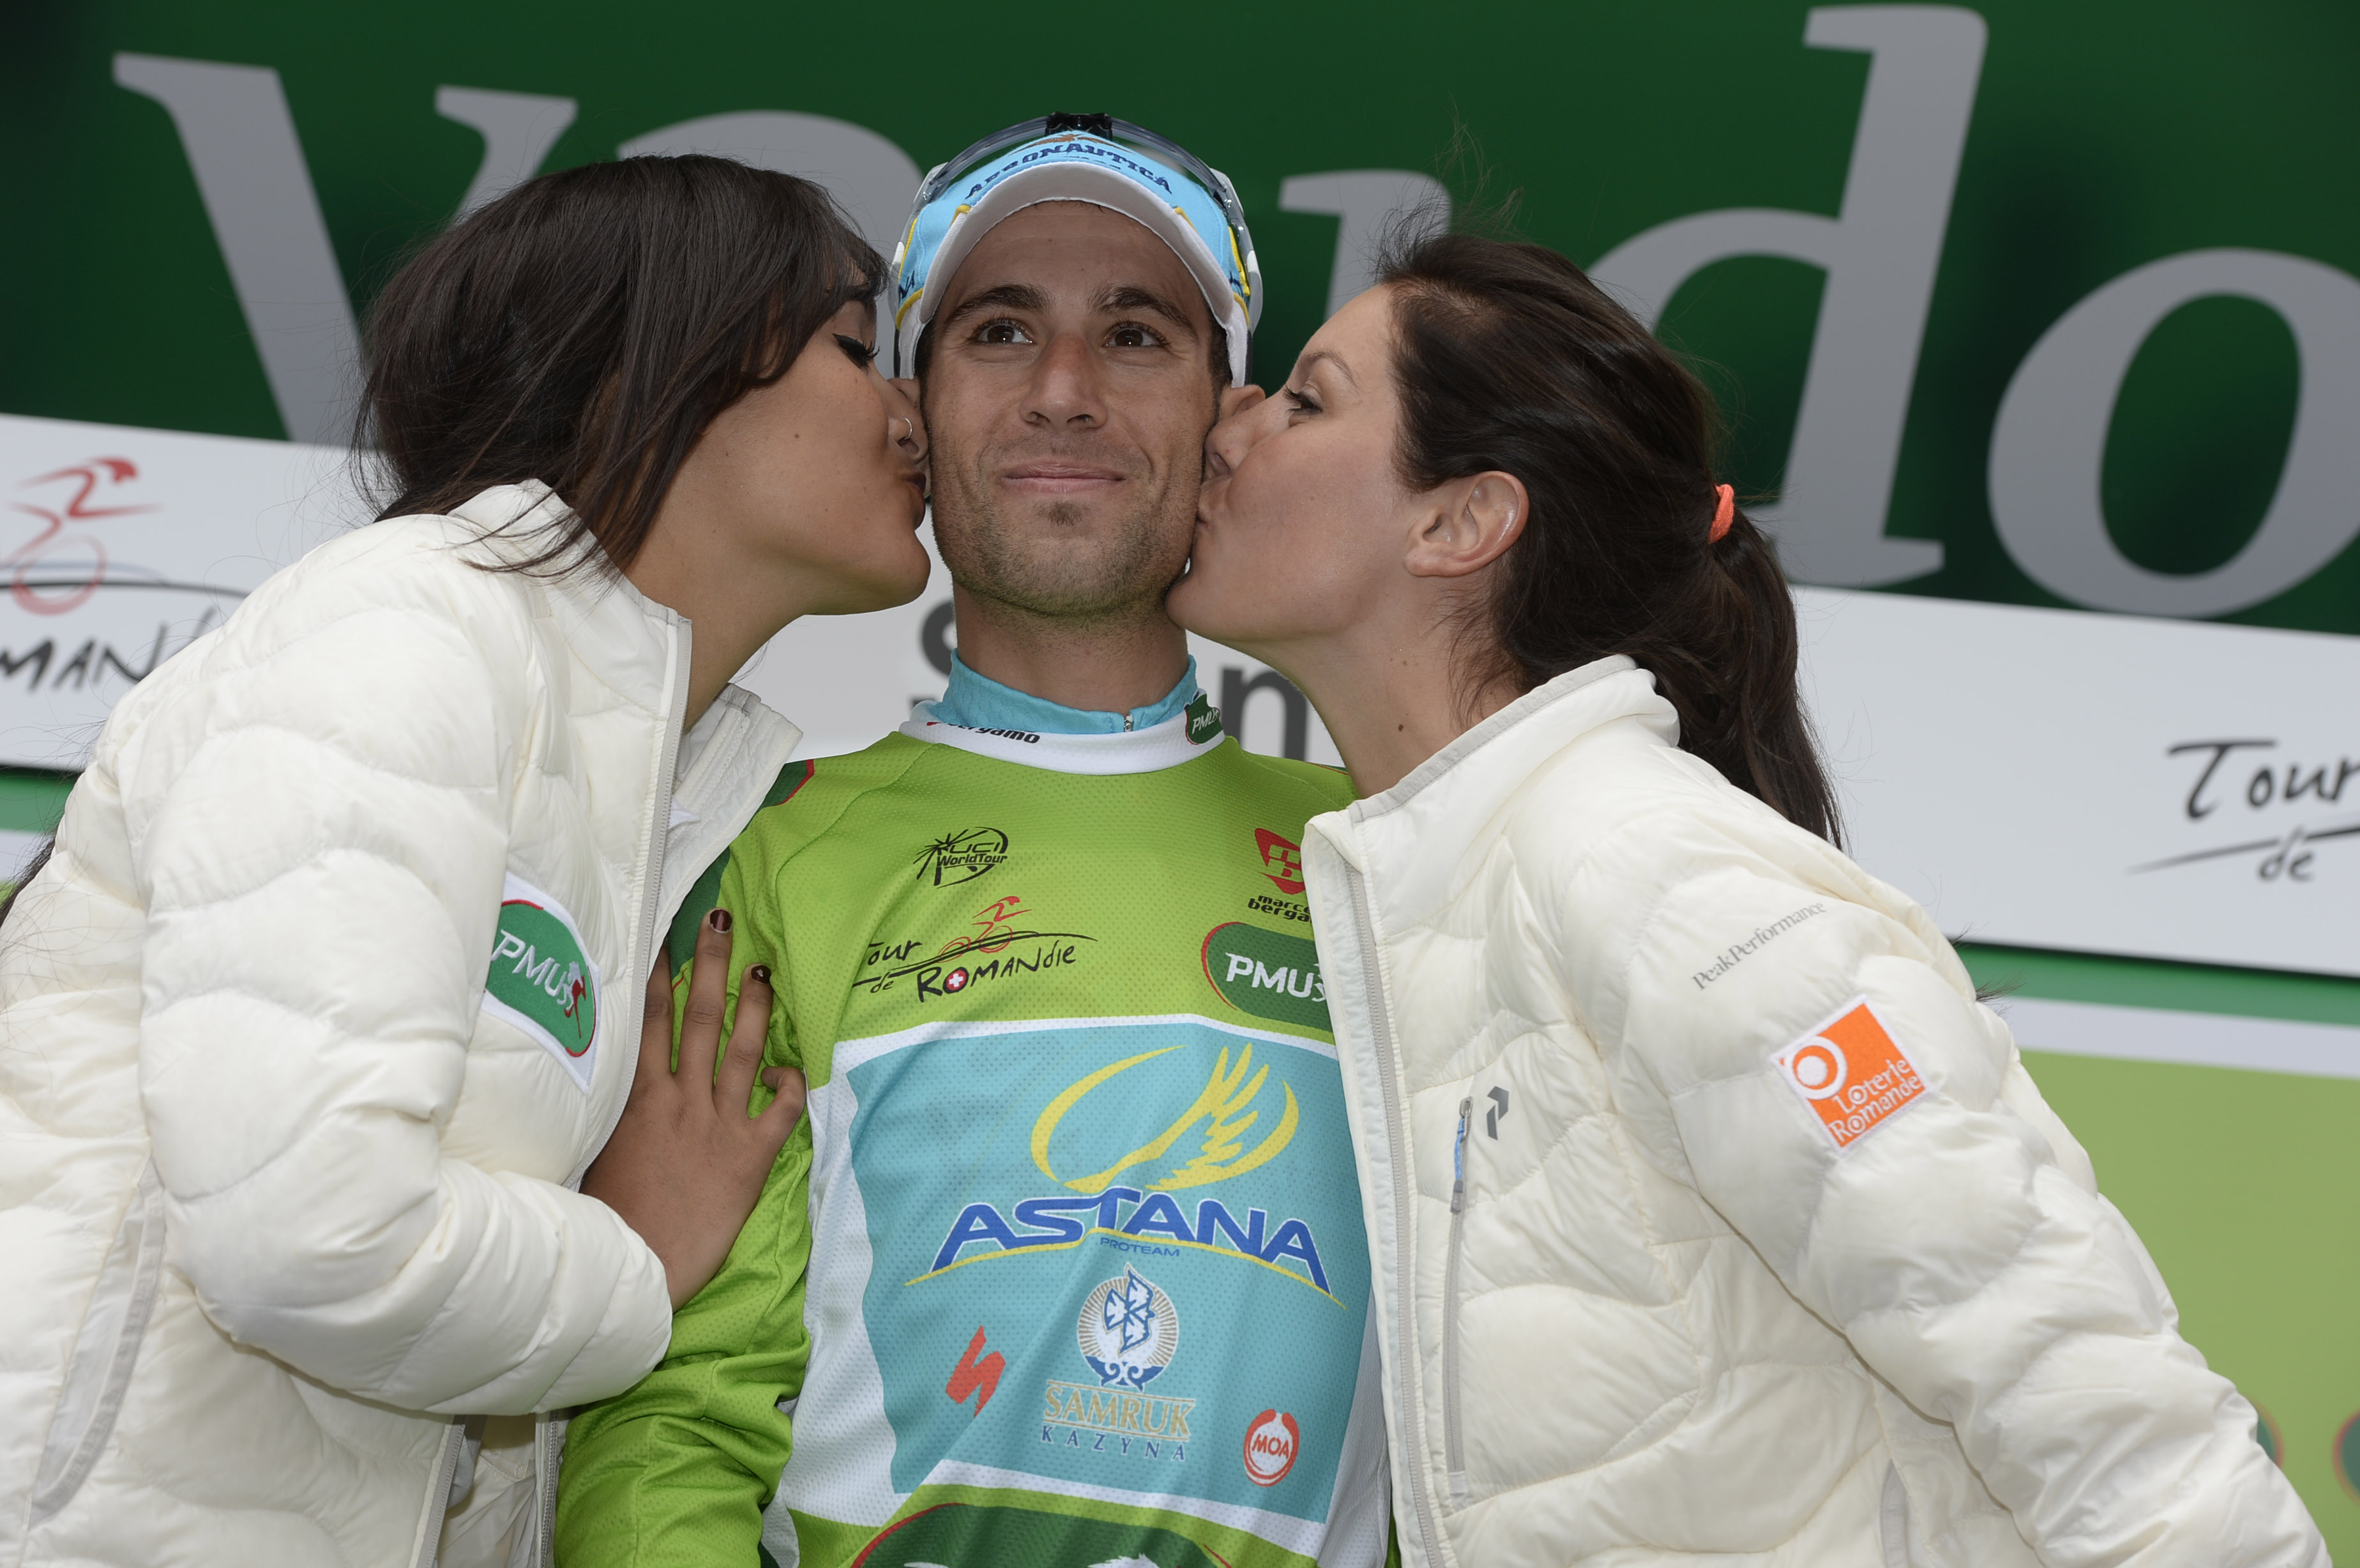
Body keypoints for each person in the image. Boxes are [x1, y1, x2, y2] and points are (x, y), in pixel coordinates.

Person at [1167, 229, 2329, 1567]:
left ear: (1461, 521)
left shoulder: (1643, 865)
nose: (1232, 425)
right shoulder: (1456, 886)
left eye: (1308, 398)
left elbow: (2100, 1405)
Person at [0, 155, 932, 1568]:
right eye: (858, 350)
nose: (909, 411)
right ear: (661, 359)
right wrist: (639, 1256)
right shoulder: (406, 630)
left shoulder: (679, 775)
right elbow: (308, 1235)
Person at [556, 116, 1391, 1568]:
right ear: (914, 418)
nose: (1064, 392)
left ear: (1229, 423)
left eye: (1136, 336)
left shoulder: (1387, 858)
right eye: (1000, 331)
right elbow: (675, 1427)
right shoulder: (766, 845)